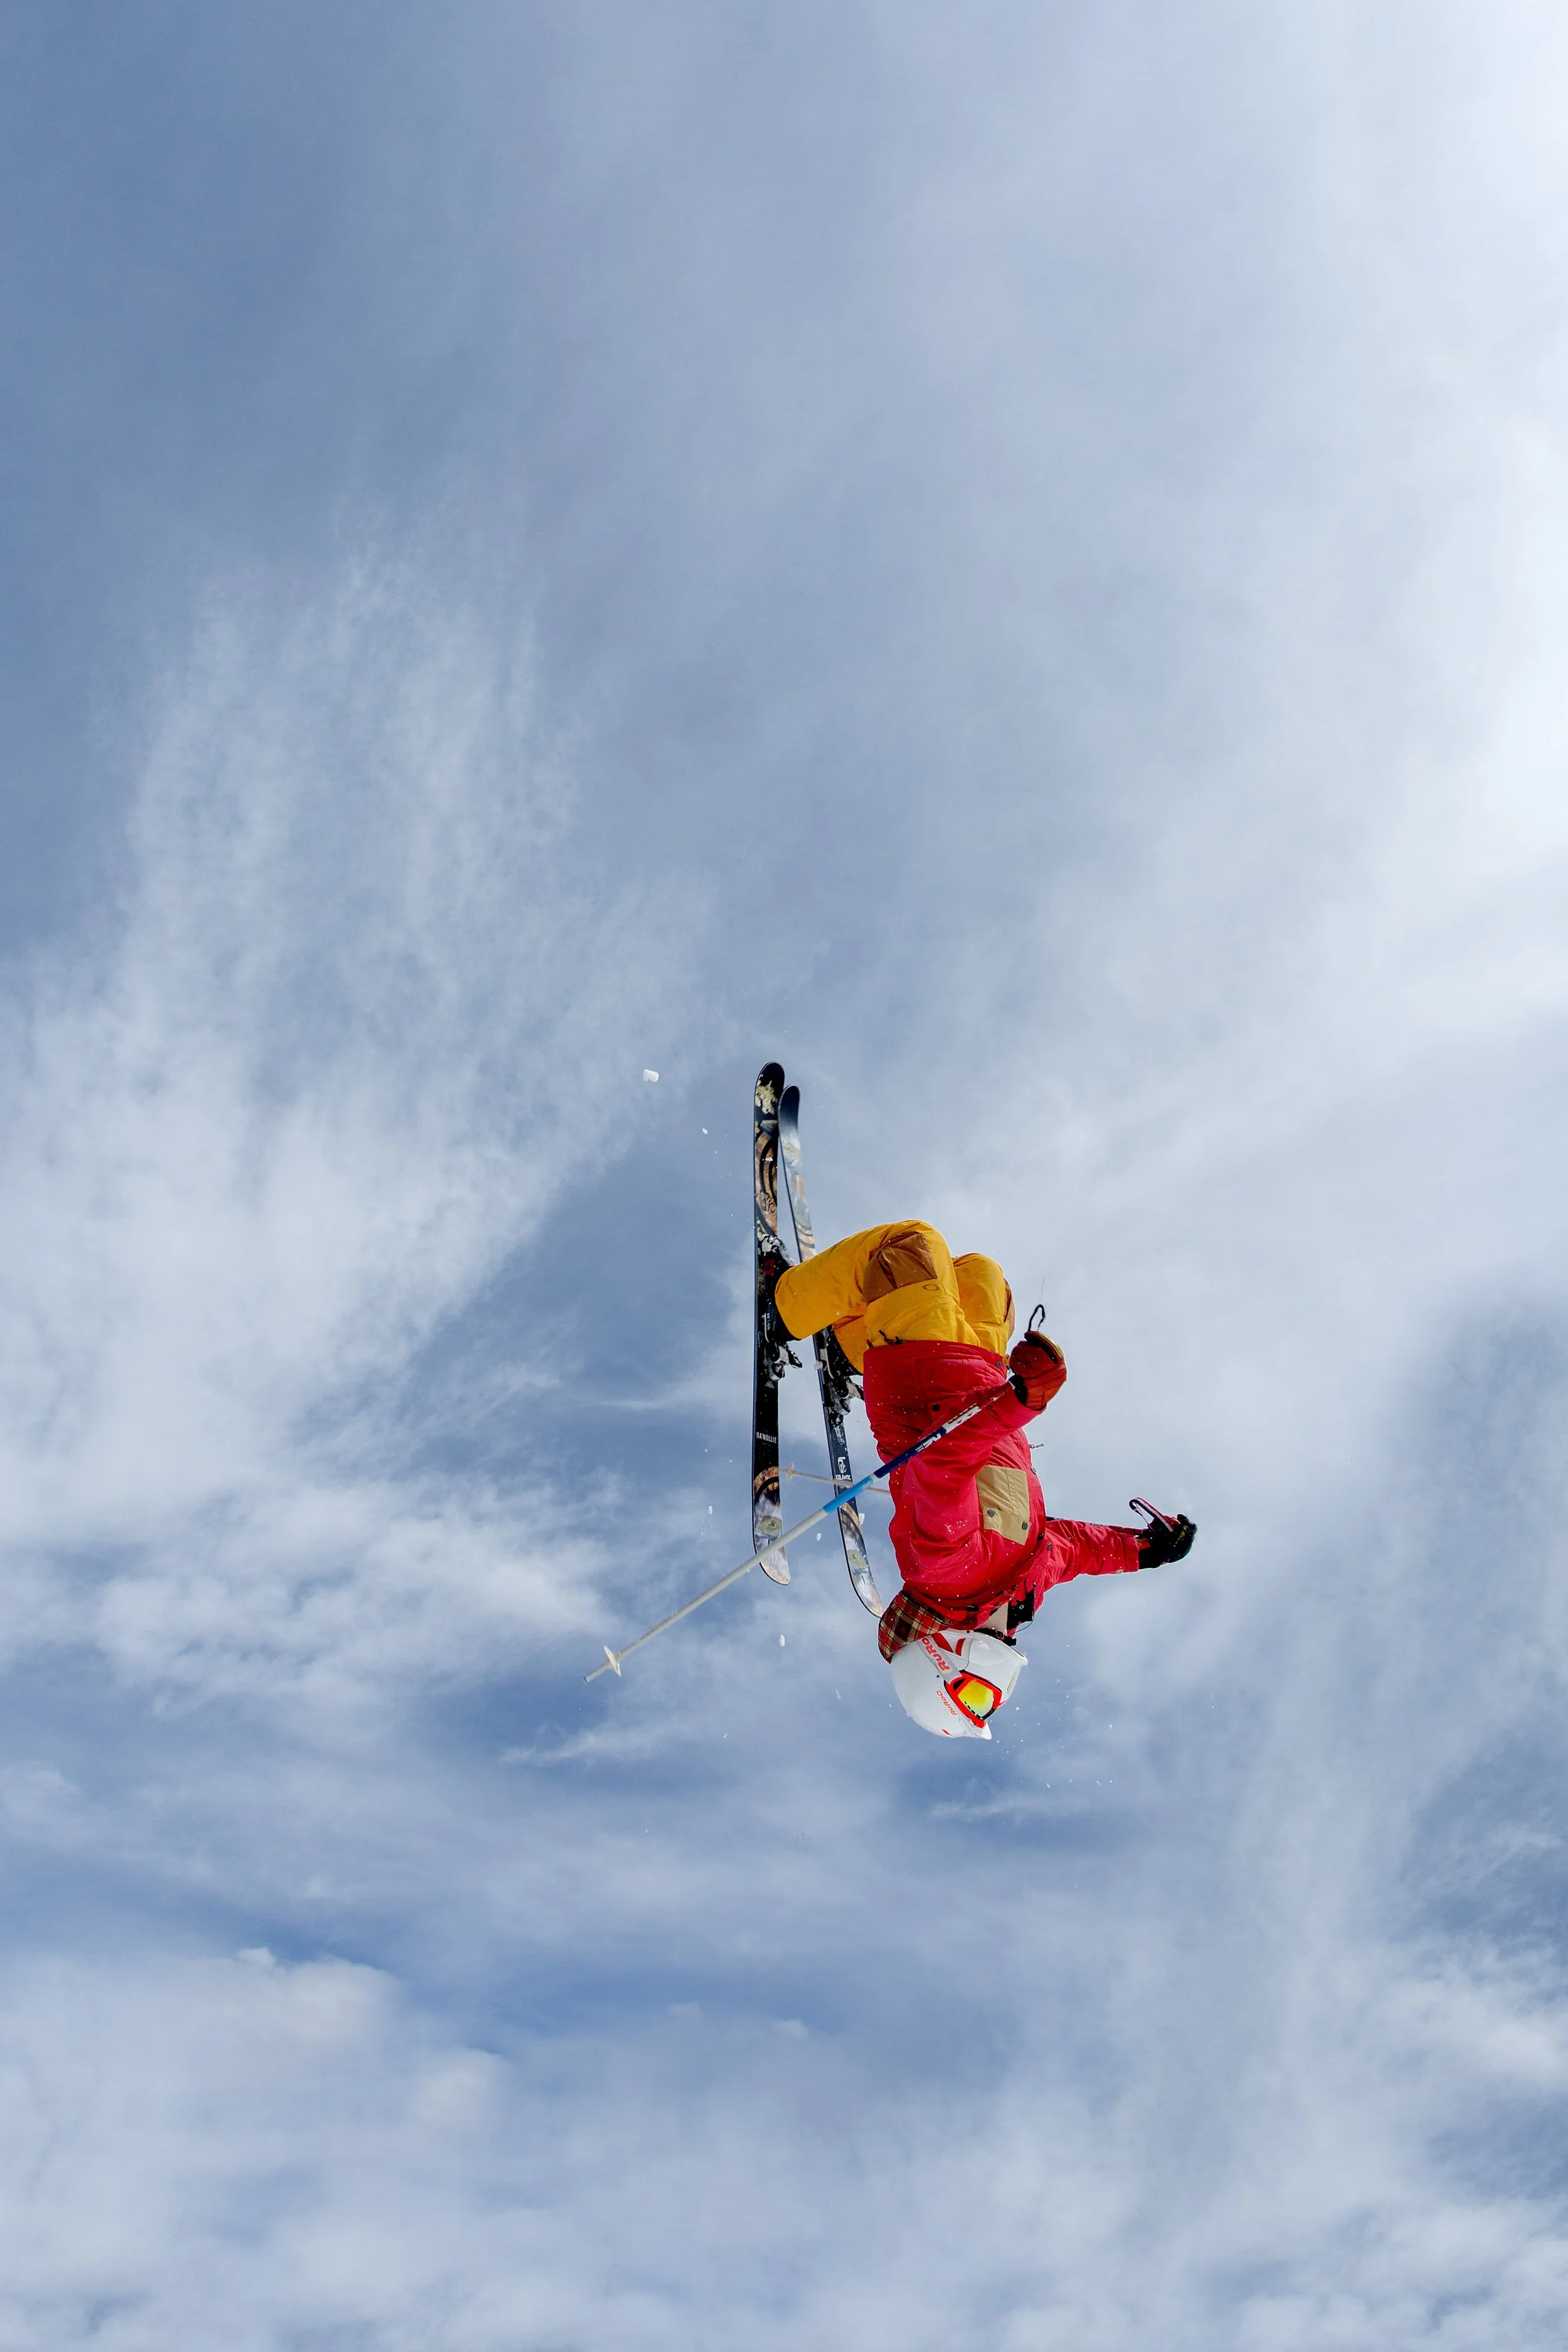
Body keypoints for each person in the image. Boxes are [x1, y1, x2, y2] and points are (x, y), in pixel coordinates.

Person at [766, 1220, 1194, 1740]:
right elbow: (1074, 1550)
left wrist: (1022, 1405)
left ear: (939, 1666)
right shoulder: (1018, 1591)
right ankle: (845, 1348)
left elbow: (943, 1461)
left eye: (973, 1697)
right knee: (985, 1280)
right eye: (988, 1703)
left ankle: (782, 1308)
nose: (994, 1692)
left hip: (919, 1373)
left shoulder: (944, 1570)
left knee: (909, 1248)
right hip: (980, 1375)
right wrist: (1148, 1551)